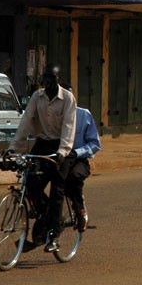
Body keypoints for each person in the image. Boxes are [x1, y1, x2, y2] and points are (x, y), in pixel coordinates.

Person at [8, 64, 77, 252]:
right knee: (31, 181)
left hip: (61, 147)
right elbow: (26, 122)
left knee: (57, 188)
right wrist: (13, 147)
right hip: (43, 143)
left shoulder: (68, 99)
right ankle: (45, 213)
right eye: (45, 79)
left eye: (52, 79)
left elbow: (69, 128)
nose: (48, 82)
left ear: (58, 79)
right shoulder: (36, 97)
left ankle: (54, 233)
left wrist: (63, 152)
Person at [61, 83, 101, 233]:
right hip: (59, 158)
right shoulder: (53, 116)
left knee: (74, 177)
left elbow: (95, 143)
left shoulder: (84, 115)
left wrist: (78, 152)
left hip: (78, 159)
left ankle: (80, 210)